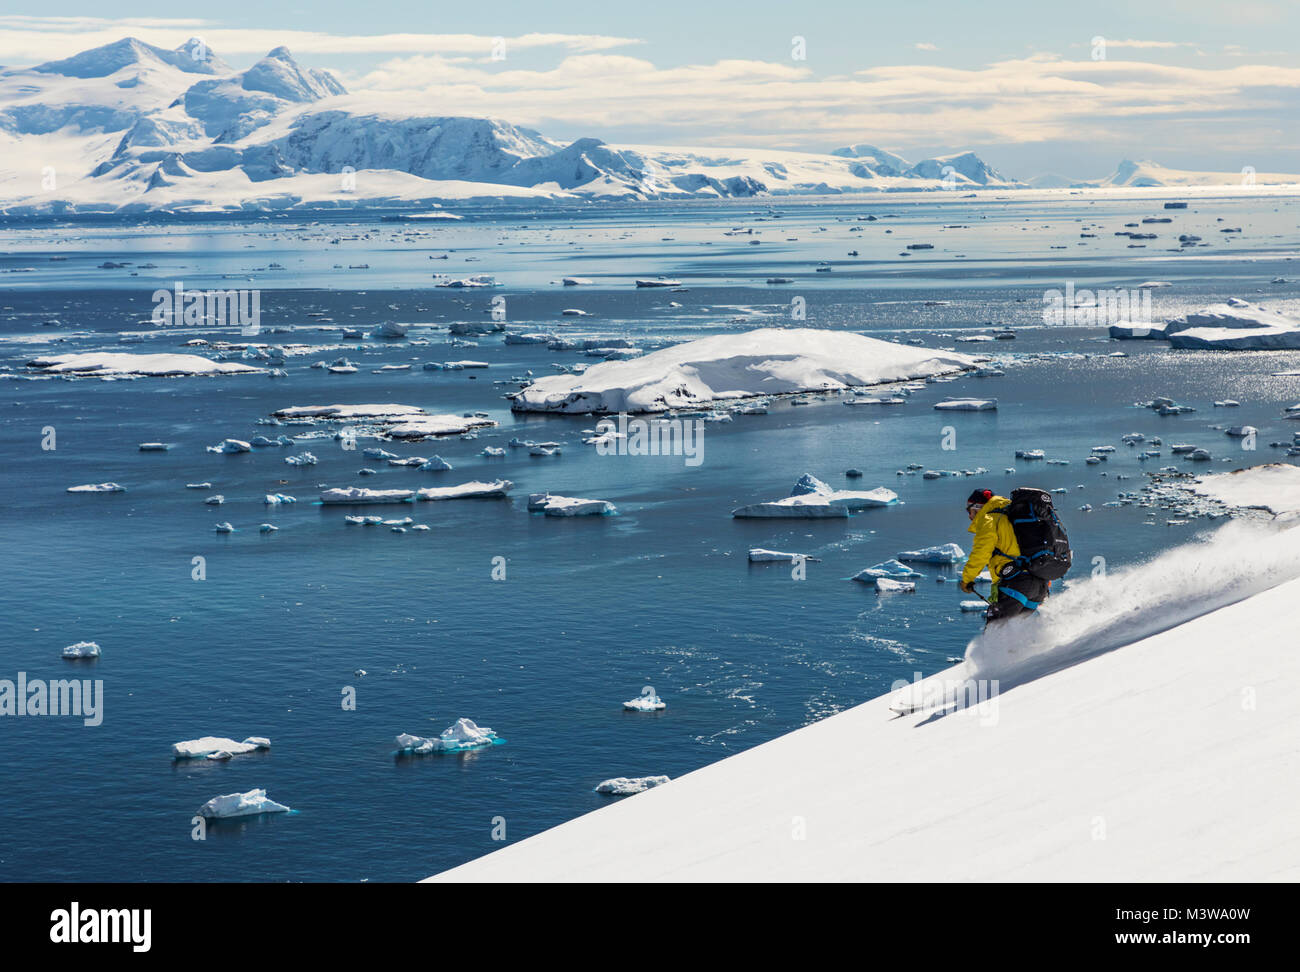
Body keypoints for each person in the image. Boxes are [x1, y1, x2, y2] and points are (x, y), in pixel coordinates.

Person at [958, 488, 1051, 623]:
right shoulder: (1013, 518)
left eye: (969, 510)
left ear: (978, 507)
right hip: (1039, 585)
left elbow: (981, 552)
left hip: (1015, 584)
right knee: (1013, 635)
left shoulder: (989, 519)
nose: (969, 516)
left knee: (993, 634)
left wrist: (967, 579)